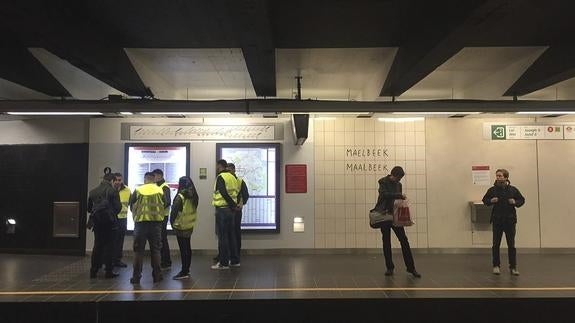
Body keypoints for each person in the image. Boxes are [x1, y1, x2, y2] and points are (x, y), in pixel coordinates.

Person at [375, 166, 421, 278]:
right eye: (398, 178)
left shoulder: (398, 185)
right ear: (393, 175)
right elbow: (384, 195)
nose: (399, 180)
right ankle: (389, 267)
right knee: (386, 241)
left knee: (404, 240)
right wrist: (398, 195)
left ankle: (411, 268)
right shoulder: (383, 182)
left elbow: (397, 200)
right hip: (385, 215)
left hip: (395, 215)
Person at [482, 169, 525, 276]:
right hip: (497, 220)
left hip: (510, 220)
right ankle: (496, 266)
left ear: (506, 177)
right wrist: (491, 201)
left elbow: (522, 200)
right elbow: (485, 200)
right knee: (496, 244)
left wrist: (515, 202)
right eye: (497, 176)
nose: (498, 178)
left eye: (500, 176)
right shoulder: (492, 190)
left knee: (511, 245)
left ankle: (513, 267)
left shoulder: (513, 190)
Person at [129, 172, 166, 284]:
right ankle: (157, 276)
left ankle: (136, 278)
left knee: (138, 251)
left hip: (141, 224)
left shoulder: (138, 190)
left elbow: (131, 204)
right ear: (154, 179)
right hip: (156, 225)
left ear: (145, 179)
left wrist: (137, 215)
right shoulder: (160, 190)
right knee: (155, 250)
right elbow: (165, 203)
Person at [87, 173, 122, 279]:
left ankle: (93, 270)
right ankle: (108, 271)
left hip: (97, 223)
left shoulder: (92, 191)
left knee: (97, 246)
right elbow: (118, 207)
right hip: (110, 224)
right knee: (110, 247)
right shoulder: (113, 191)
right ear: (111, 180)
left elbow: (89, 209)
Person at [211, 159, 239, 269]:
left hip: (223, 209)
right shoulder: (232, 177)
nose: (216, 168)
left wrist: (232, 204)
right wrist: (233, 206)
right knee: (231, 236)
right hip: (231, 211)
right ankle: (235, 260)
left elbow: (223, 192)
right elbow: (234, 193)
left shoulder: (221, 177)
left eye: (217, 166)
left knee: (223, 237)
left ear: (220, 166)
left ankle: (223, 263)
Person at [170, 176, 199, 280]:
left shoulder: (180, 197)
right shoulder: (194, 195)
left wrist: (171, 223)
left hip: (180, 226)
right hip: (189, 225)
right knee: (187, 247)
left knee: (183, 249)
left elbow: (174, 213)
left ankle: (184, 271)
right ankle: (187, 269)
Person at [227, 163, 249, 264]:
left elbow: (245, 195)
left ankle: (235, 254)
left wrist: (240, 205)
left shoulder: (239, 181)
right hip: (230, 210)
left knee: (234, 232)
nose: (229, 173)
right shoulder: (226, 181)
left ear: (234, 170)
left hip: (234, 211)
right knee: (231, 232)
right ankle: (231, 254)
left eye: (230, 170)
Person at [152, 169, 172, 270]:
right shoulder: (159, 186)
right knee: (161, 239)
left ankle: (166, 262)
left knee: (162, 239)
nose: (153, 178)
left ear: (159, 176)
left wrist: (157, 208)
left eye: (154, 176)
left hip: (162, 217)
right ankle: (164, 261)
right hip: (159, 217)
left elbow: (167, 202)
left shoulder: (164, 187)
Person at [112, 173, 130, 268]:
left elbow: (131, 203)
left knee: (120, 241)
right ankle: (109, 260)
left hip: (122, 219)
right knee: (111, 240)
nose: (118, 182)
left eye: (120, 180)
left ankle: (117, 260)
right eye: (117, 180)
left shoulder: (127, 190)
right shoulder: (110, 190)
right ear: (113, 181)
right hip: (112, 219)